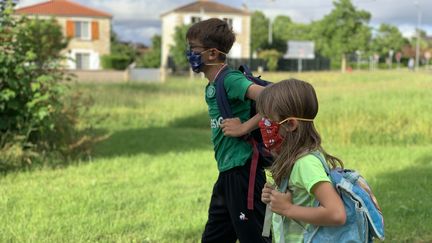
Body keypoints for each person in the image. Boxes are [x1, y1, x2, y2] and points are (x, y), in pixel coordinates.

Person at [185, 18, 271, 243]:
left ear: (212, 53)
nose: (189, 53)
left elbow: (274, 98)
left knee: (255, 239)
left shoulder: (230, 80)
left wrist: (244, 127)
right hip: (227, 173)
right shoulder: (212, 85)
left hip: (244, 174)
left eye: (193, 48)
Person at [258, 79, 347, 243]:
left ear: (290, 124)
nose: (263, 125)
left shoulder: (305, 163)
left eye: (269, 120)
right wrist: (276, 196)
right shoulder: (296, 159)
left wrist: (287, 208)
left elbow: (337, 214)